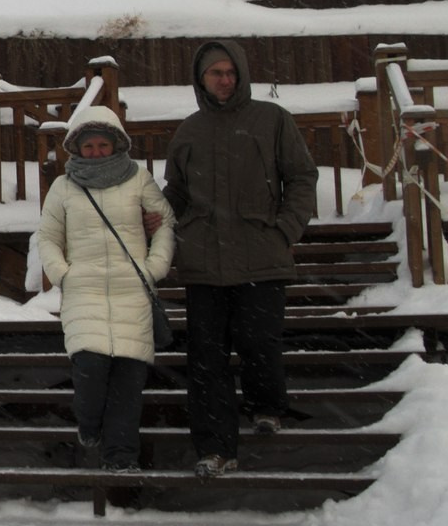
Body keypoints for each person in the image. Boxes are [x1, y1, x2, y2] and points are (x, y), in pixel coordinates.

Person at [162, 40, 318, 477]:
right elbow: (175, 191)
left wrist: (286, 228)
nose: (224, 80)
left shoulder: (271, 120)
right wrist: (155, 219)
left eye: (230, 72)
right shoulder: (189, 131)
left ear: (242, 74)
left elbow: (302, 176)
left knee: (258, 342)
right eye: (215, 73)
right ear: (202, 79)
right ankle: (215, 449)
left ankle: (266, 405)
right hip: (203, 262)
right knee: (206, 359)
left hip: (260, 255)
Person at [35, 105, 174, 473]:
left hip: (133, 292)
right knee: (90, 373)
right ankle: (90, 426)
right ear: (76, 148)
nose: (96, 151)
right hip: (85, 292)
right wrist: (64, 274)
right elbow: (48, 236)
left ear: (116, 145)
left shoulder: (139, 179)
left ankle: (121, 459)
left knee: (128, 385)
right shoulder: (63, 187)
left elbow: (164, 224)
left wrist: (154, 267)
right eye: (89, 145)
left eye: (103, 144)